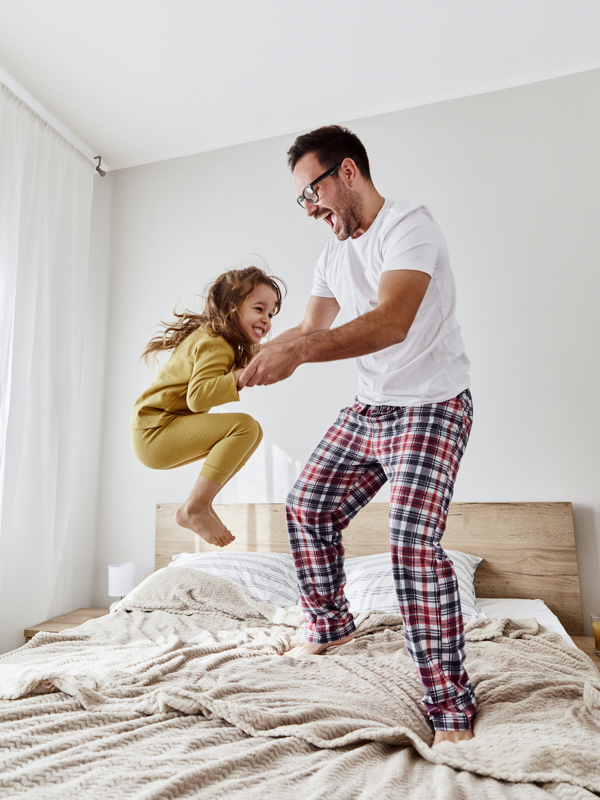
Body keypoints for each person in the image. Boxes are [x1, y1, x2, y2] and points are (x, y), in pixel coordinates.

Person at [240, 126, 476, 745]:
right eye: (301, 199)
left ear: (348, 173)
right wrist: (245, 361)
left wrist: (301, 354)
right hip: (371, 409)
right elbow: (307, 328)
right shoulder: (331, 253)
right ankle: (329, 624)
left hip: (432, 408)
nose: (310, 208)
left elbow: (391, 322)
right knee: (307, 506)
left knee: (411, 549)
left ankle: (449, 705)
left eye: (312, 191)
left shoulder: (409, 227)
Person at [131, 266, 285, 547]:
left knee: (252, 433)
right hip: (156, 431)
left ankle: (202, 503)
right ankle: (195, 507)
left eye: (271, 313)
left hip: (154, 432)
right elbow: (198, 397)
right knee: (245, 427)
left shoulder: (214, 338)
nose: (267, 319)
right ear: (231, 307)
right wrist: (238, 378)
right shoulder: (217, 342)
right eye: (259, 309)